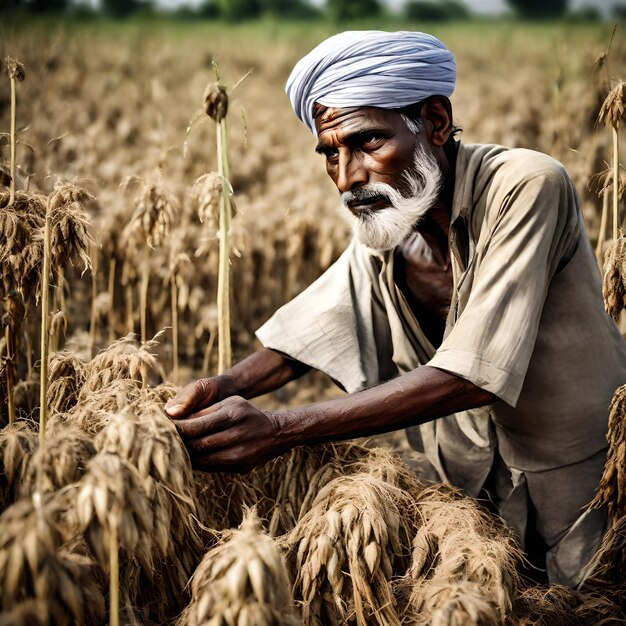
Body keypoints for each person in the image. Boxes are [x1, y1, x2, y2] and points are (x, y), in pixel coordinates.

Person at [165, 30, 626, 586]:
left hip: (579, 469)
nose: (346, 177)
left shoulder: (526, 186)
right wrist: (221, 387)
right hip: (475, 475)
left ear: (434, 121)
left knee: (590, 596)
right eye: (330, 153)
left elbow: (472, 376)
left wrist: (281, 430)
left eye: (366, 143)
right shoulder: (393, 224)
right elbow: (312, 332)